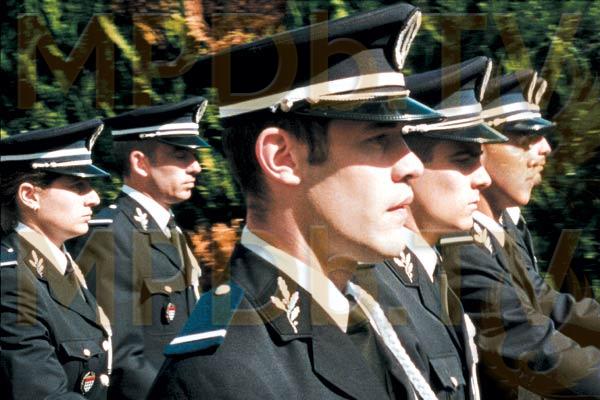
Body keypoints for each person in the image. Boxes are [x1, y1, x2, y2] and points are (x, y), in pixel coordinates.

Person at [149, 4, 450, 399]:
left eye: (403, 138)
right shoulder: (220, 375)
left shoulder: (381, 305)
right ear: (282, 158)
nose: (412, 164)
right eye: (379, 139)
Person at [355, 56, 508, 400]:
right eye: (464, 160)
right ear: (413, 168)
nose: (483, 179)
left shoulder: (431, 271)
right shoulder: (375, 291)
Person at [440, 70, 600, 399]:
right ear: (480, 149)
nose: (545, 149)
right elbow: (529, 341)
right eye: (525, 137)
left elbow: (546, 303)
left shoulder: (501, 230)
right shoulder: (459, 245)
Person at [70, 97, 207, 399]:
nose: (196, 167)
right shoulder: (111, 236)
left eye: (194, 156)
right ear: (140, 163)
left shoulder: (169, 229)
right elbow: (121, 360)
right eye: (181, 155)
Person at [0, 120, 113, 399]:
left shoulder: (61, 268)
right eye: (78, 185)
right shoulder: (11, 280)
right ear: (29, 196)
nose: (94, 198)